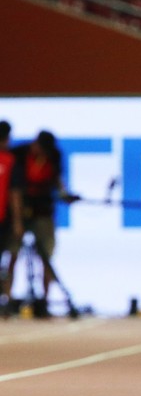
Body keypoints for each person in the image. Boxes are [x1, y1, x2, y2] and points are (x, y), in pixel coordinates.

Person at [5, 130, 73, 317]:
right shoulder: (20, 153)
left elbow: (58, 181)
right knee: (13, 254)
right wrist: (17, 219)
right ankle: (8, 300)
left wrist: (63, 193)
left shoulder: (54, 157)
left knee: (47, 256)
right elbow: (13, 187)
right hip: (19, 211)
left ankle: (44, 301)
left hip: (43, 213)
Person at [0, 120, 22, 313]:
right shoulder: (9, 160)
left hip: (3, 219)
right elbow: (14, 194)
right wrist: (17, 222)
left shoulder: (9, 160)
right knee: (9, 259)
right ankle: (6, 298)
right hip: (4, 219)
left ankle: (5, 299)